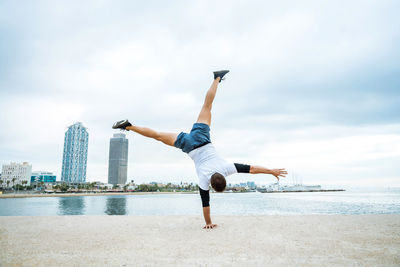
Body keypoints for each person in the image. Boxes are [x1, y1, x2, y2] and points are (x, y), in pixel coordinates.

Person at [112, 70, 287, 229]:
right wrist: (208, 223)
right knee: (157, 135)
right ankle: (128, 127)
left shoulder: (227, 168)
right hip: (188, 145)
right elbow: (206, 203)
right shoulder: (204, 179)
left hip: (202, 137)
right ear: (212, 183)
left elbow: (252, 169)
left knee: (207, 106)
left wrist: (271, 171)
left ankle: (217, 78)